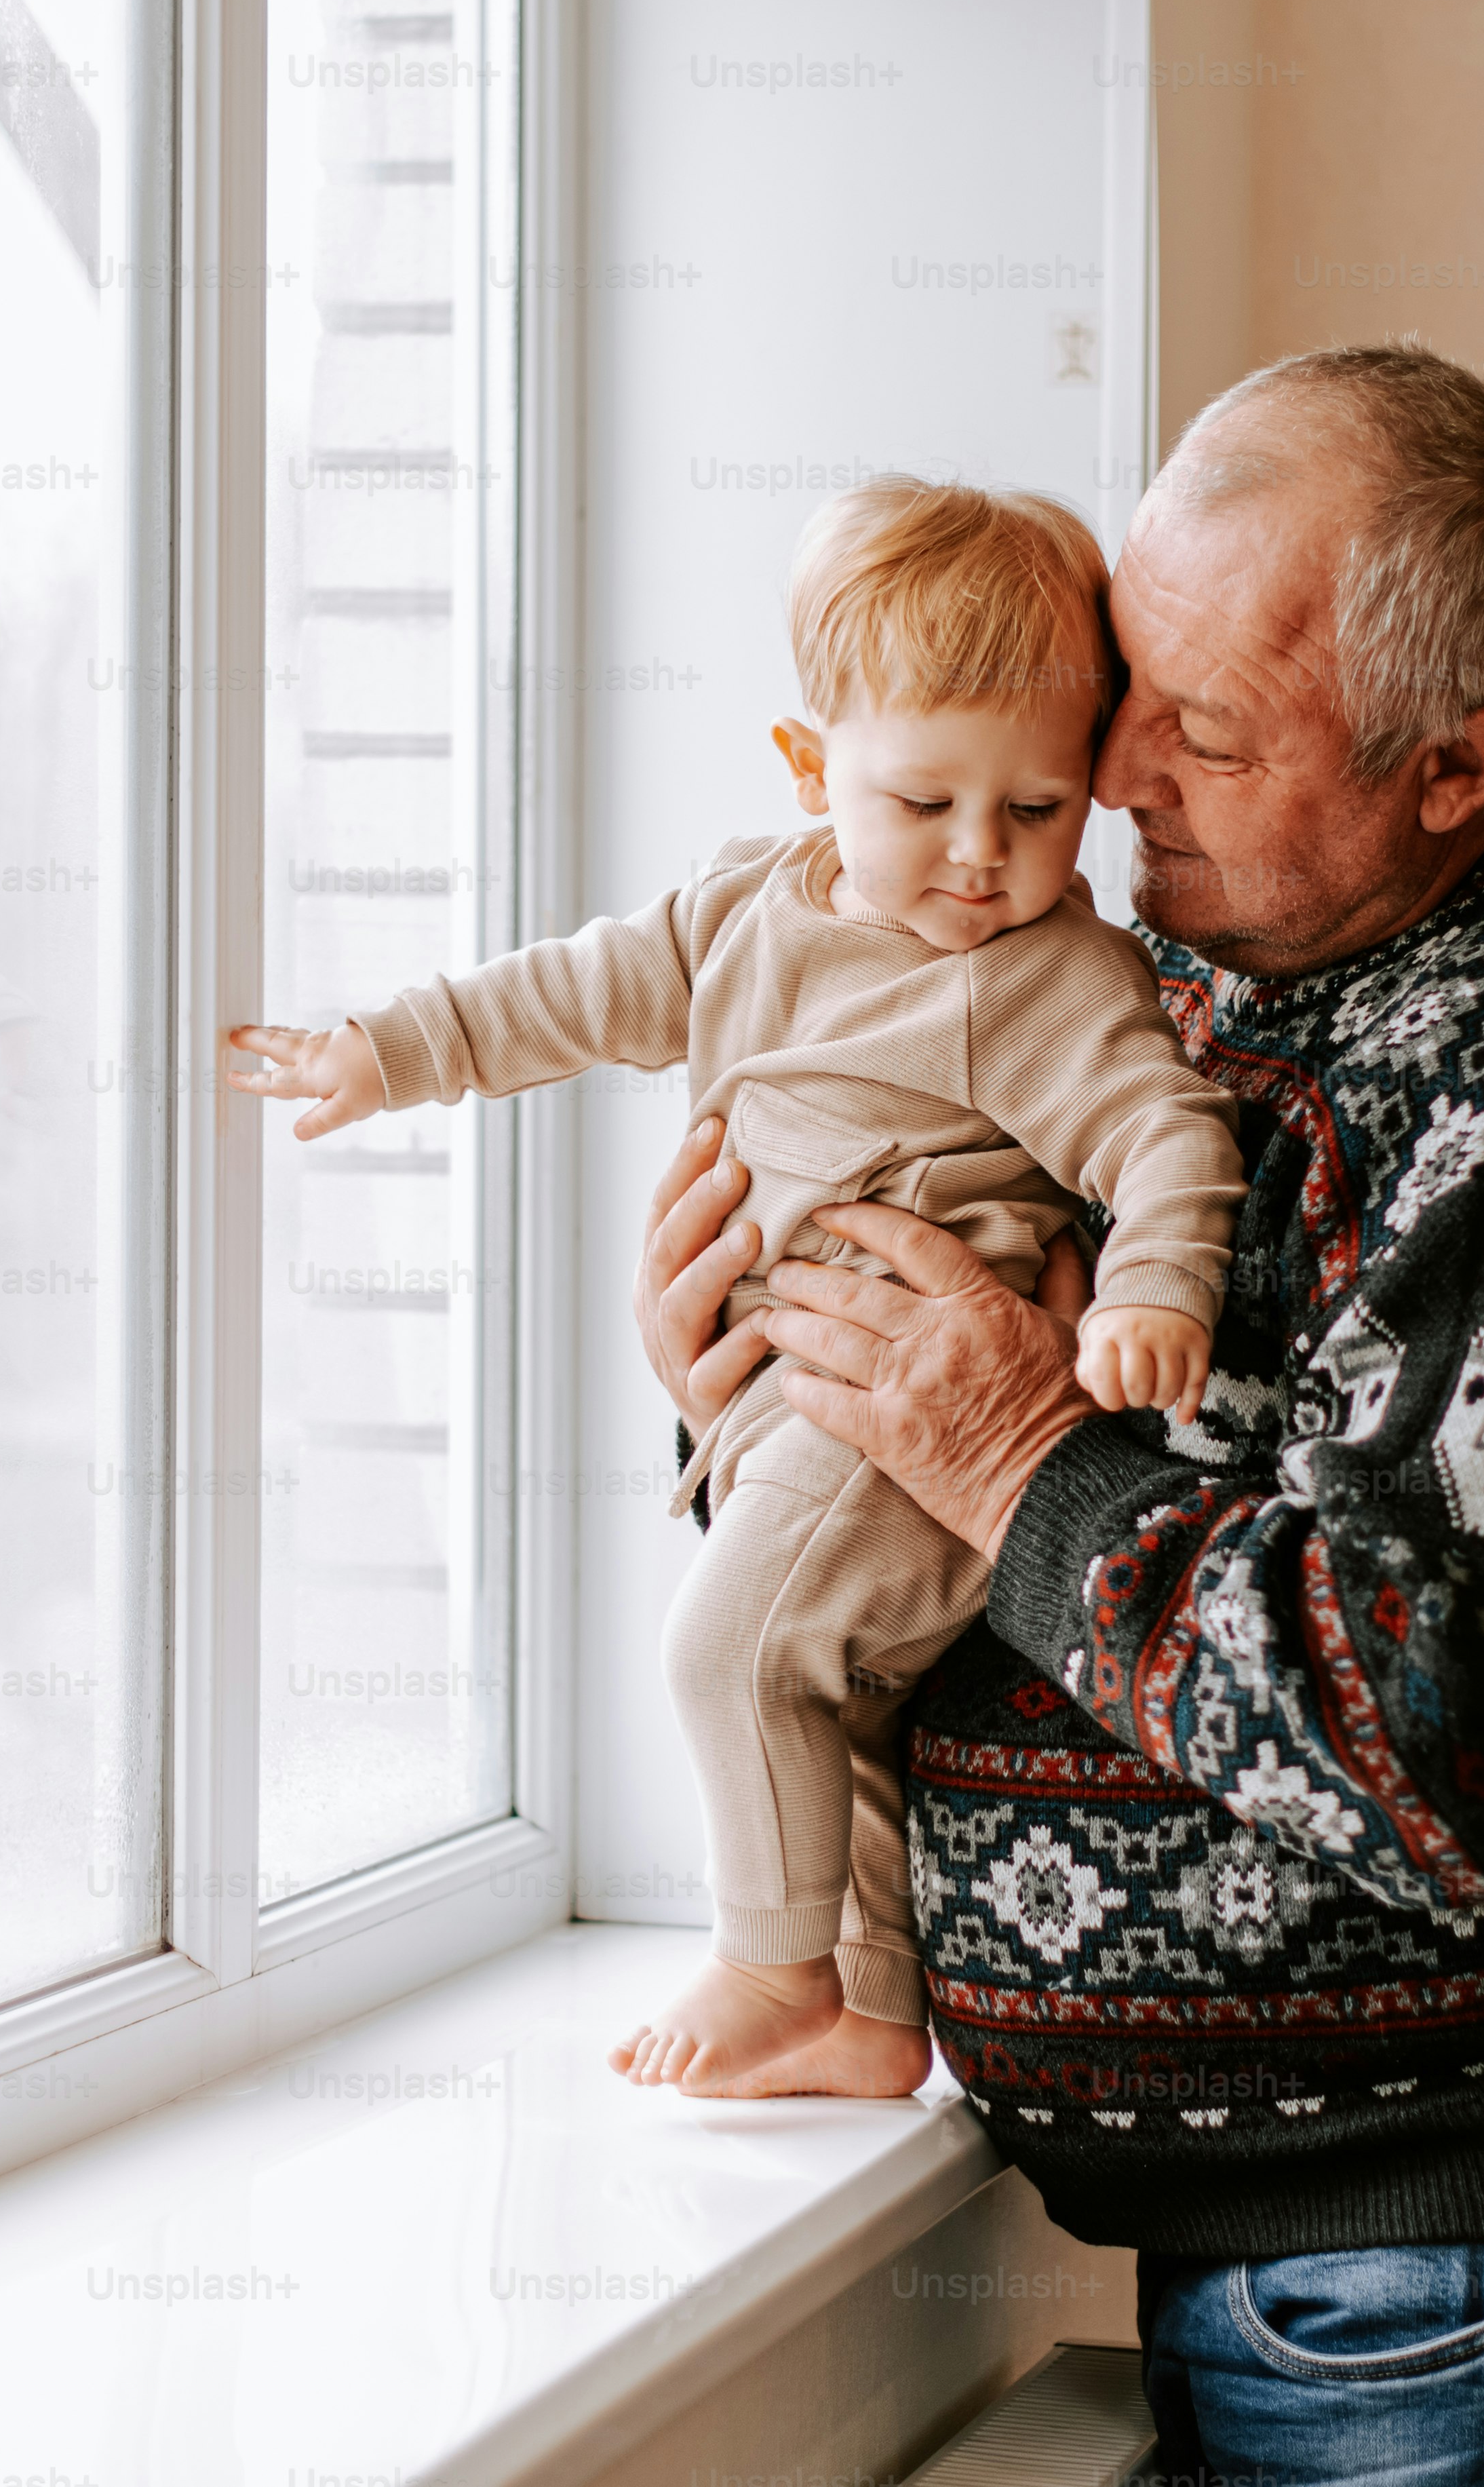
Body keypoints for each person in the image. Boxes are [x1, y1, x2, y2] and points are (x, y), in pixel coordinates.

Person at [634, 347, 1484, 2482]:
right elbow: (1075, 1467)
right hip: (1367, 2283)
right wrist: (755, 1401)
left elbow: (1459, 1750)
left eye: (1197, 728)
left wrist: (1011, 1456)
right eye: (1128, 678)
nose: (1108, 771)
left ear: (1457, 765)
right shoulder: (1215, 964)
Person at [229, 476, 1242, 2099]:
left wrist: (1154, 1293)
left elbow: (1163, 1131)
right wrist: (388, 1051)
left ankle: (765, 1966)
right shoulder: (743, 910)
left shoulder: (1035, 971)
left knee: (726, 1653)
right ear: (808, 765)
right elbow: (567, 992)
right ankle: (859, 2012)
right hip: (793, 1401)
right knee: (819, 1702)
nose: (984, 862)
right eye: (925, 805)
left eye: (1040, 813)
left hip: (910, 1415)